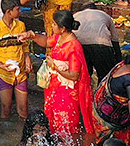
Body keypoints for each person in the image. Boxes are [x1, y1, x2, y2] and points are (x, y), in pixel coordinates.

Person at [27, 9, 96, 139]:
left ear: (63, 28)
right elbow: (47, 42)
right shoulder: (59, 38)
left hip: (66, 91)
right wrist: (33, 36)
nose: (52, 26)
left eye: (54, 24)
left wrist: (55, 67)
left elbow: (74, 75)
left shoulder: (73, 46)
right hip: (53, 87)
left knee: (65, 124)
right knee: (52, 121)